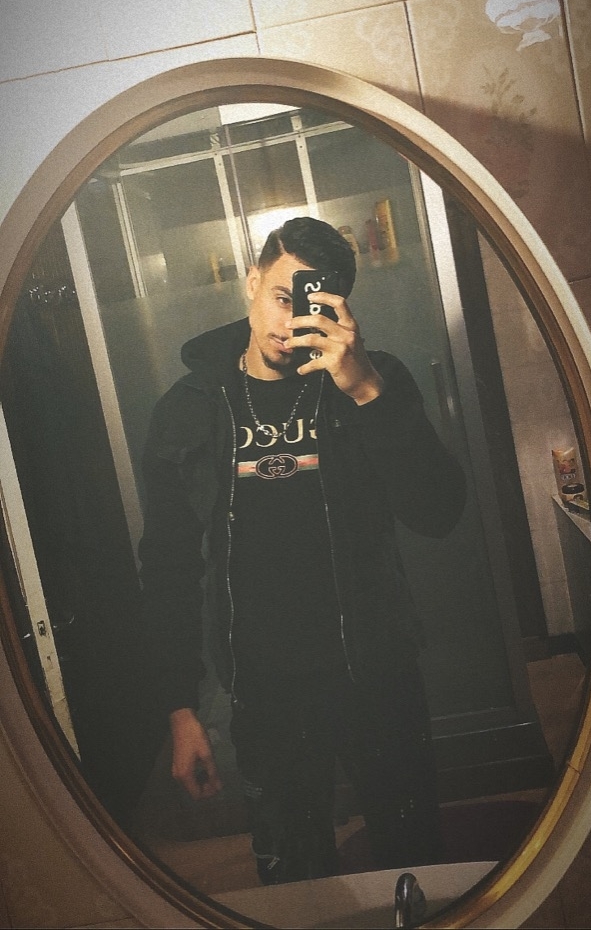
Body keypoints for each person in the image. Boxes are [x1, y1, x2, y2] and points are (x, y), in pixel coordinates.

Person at [139, 217, 466, 884]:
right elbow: (168, 565)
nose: (290, 325)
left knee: (414, 860)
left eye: (311, 306)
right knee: (295, 882)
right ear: (252, 282)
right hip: (265, 696)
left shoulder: (373, 382)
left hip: (378, 676)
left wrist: (366, 390)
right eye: (281, 298)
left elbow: (439, 513)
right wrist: (179, 707)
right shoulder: (189, 408)